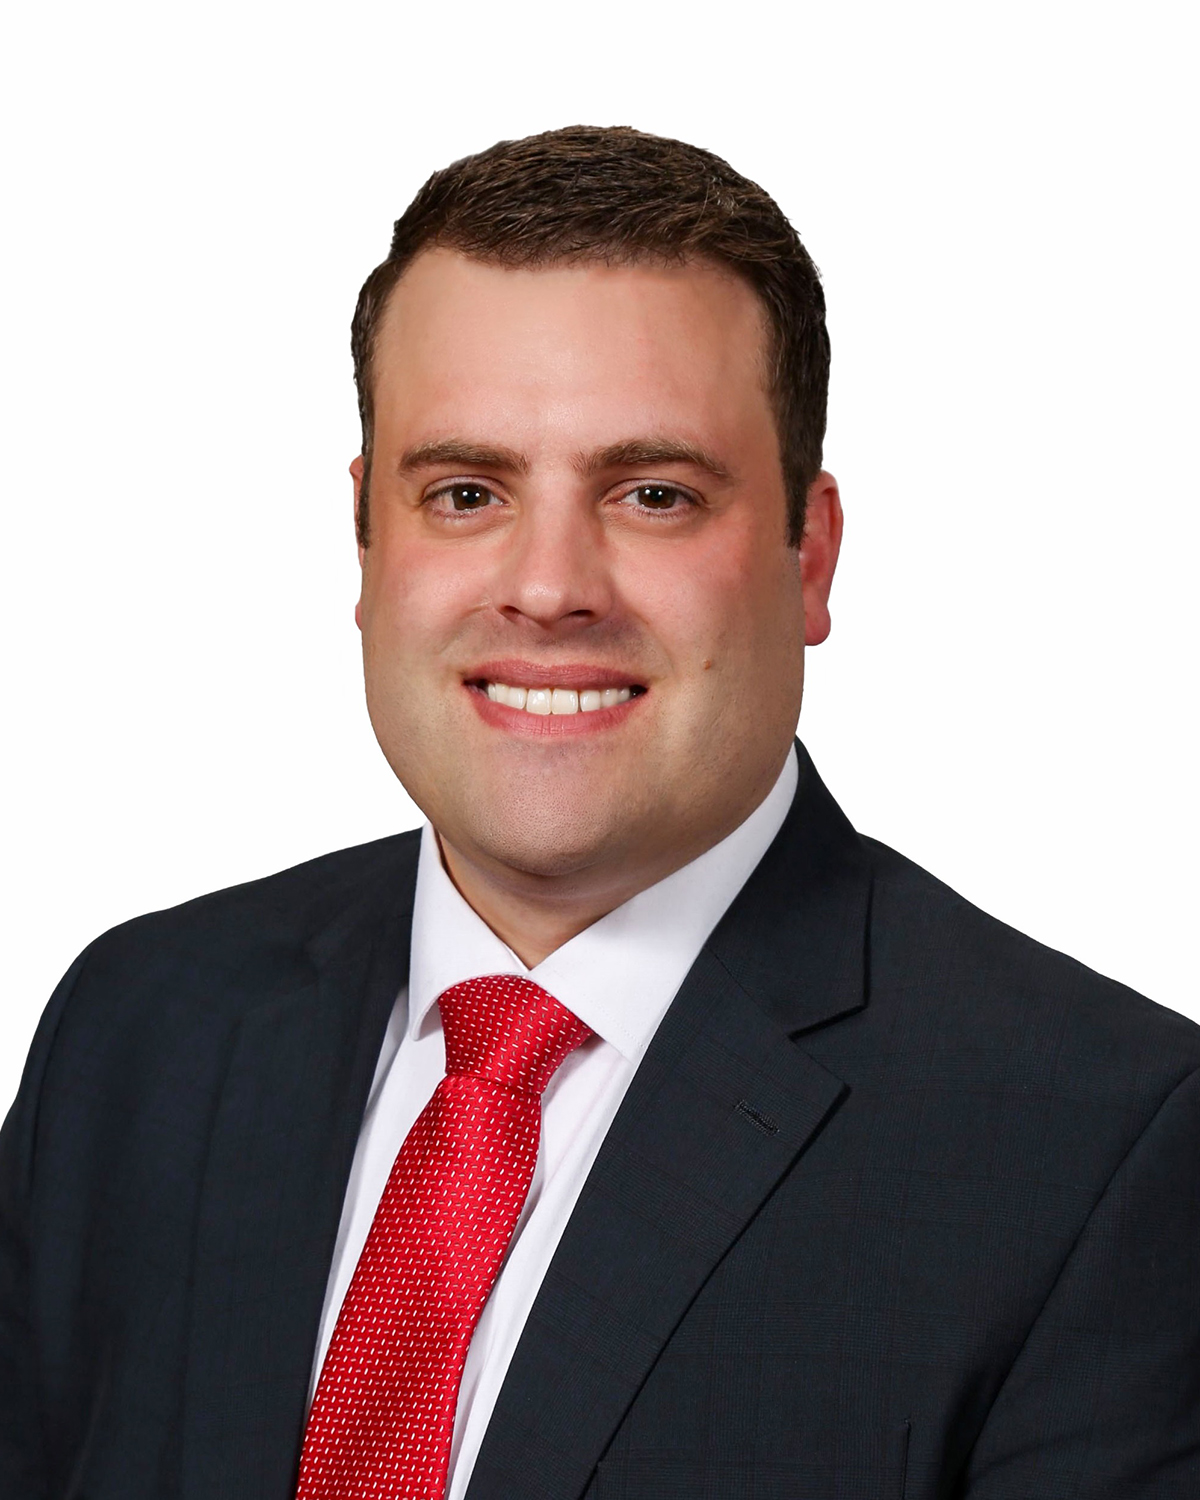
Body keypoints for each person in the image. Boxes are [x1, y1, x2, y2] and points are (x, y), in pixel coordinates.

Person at [2, 125, 1197, 1500]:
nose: (550, 587)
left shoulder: (1100, 1149)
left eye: (653, 495)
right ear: (366, 541)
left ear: (810, 557)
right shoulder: (138, 1033)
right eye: (466, 493)